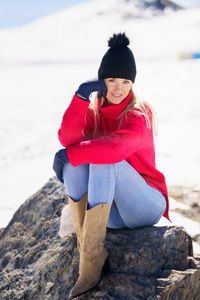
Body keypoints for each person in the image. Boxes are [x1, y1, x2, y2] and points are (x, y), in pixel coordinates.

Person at [53, 32, 170, 298]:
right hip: (112, 216)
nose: (118, 88)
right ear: (101, 81)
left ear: (133, 84)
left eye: (126, 81)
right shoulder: (93, 112)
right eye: (112, 80)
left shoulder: (139, 114)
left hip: (146, 205)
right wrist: (81, 97)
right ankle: (91, 251)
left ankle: (89, 270)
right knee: (74, 166)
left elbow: (114, 149)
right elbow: (67, 138)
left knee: (104, 160)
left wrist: (71, 153)